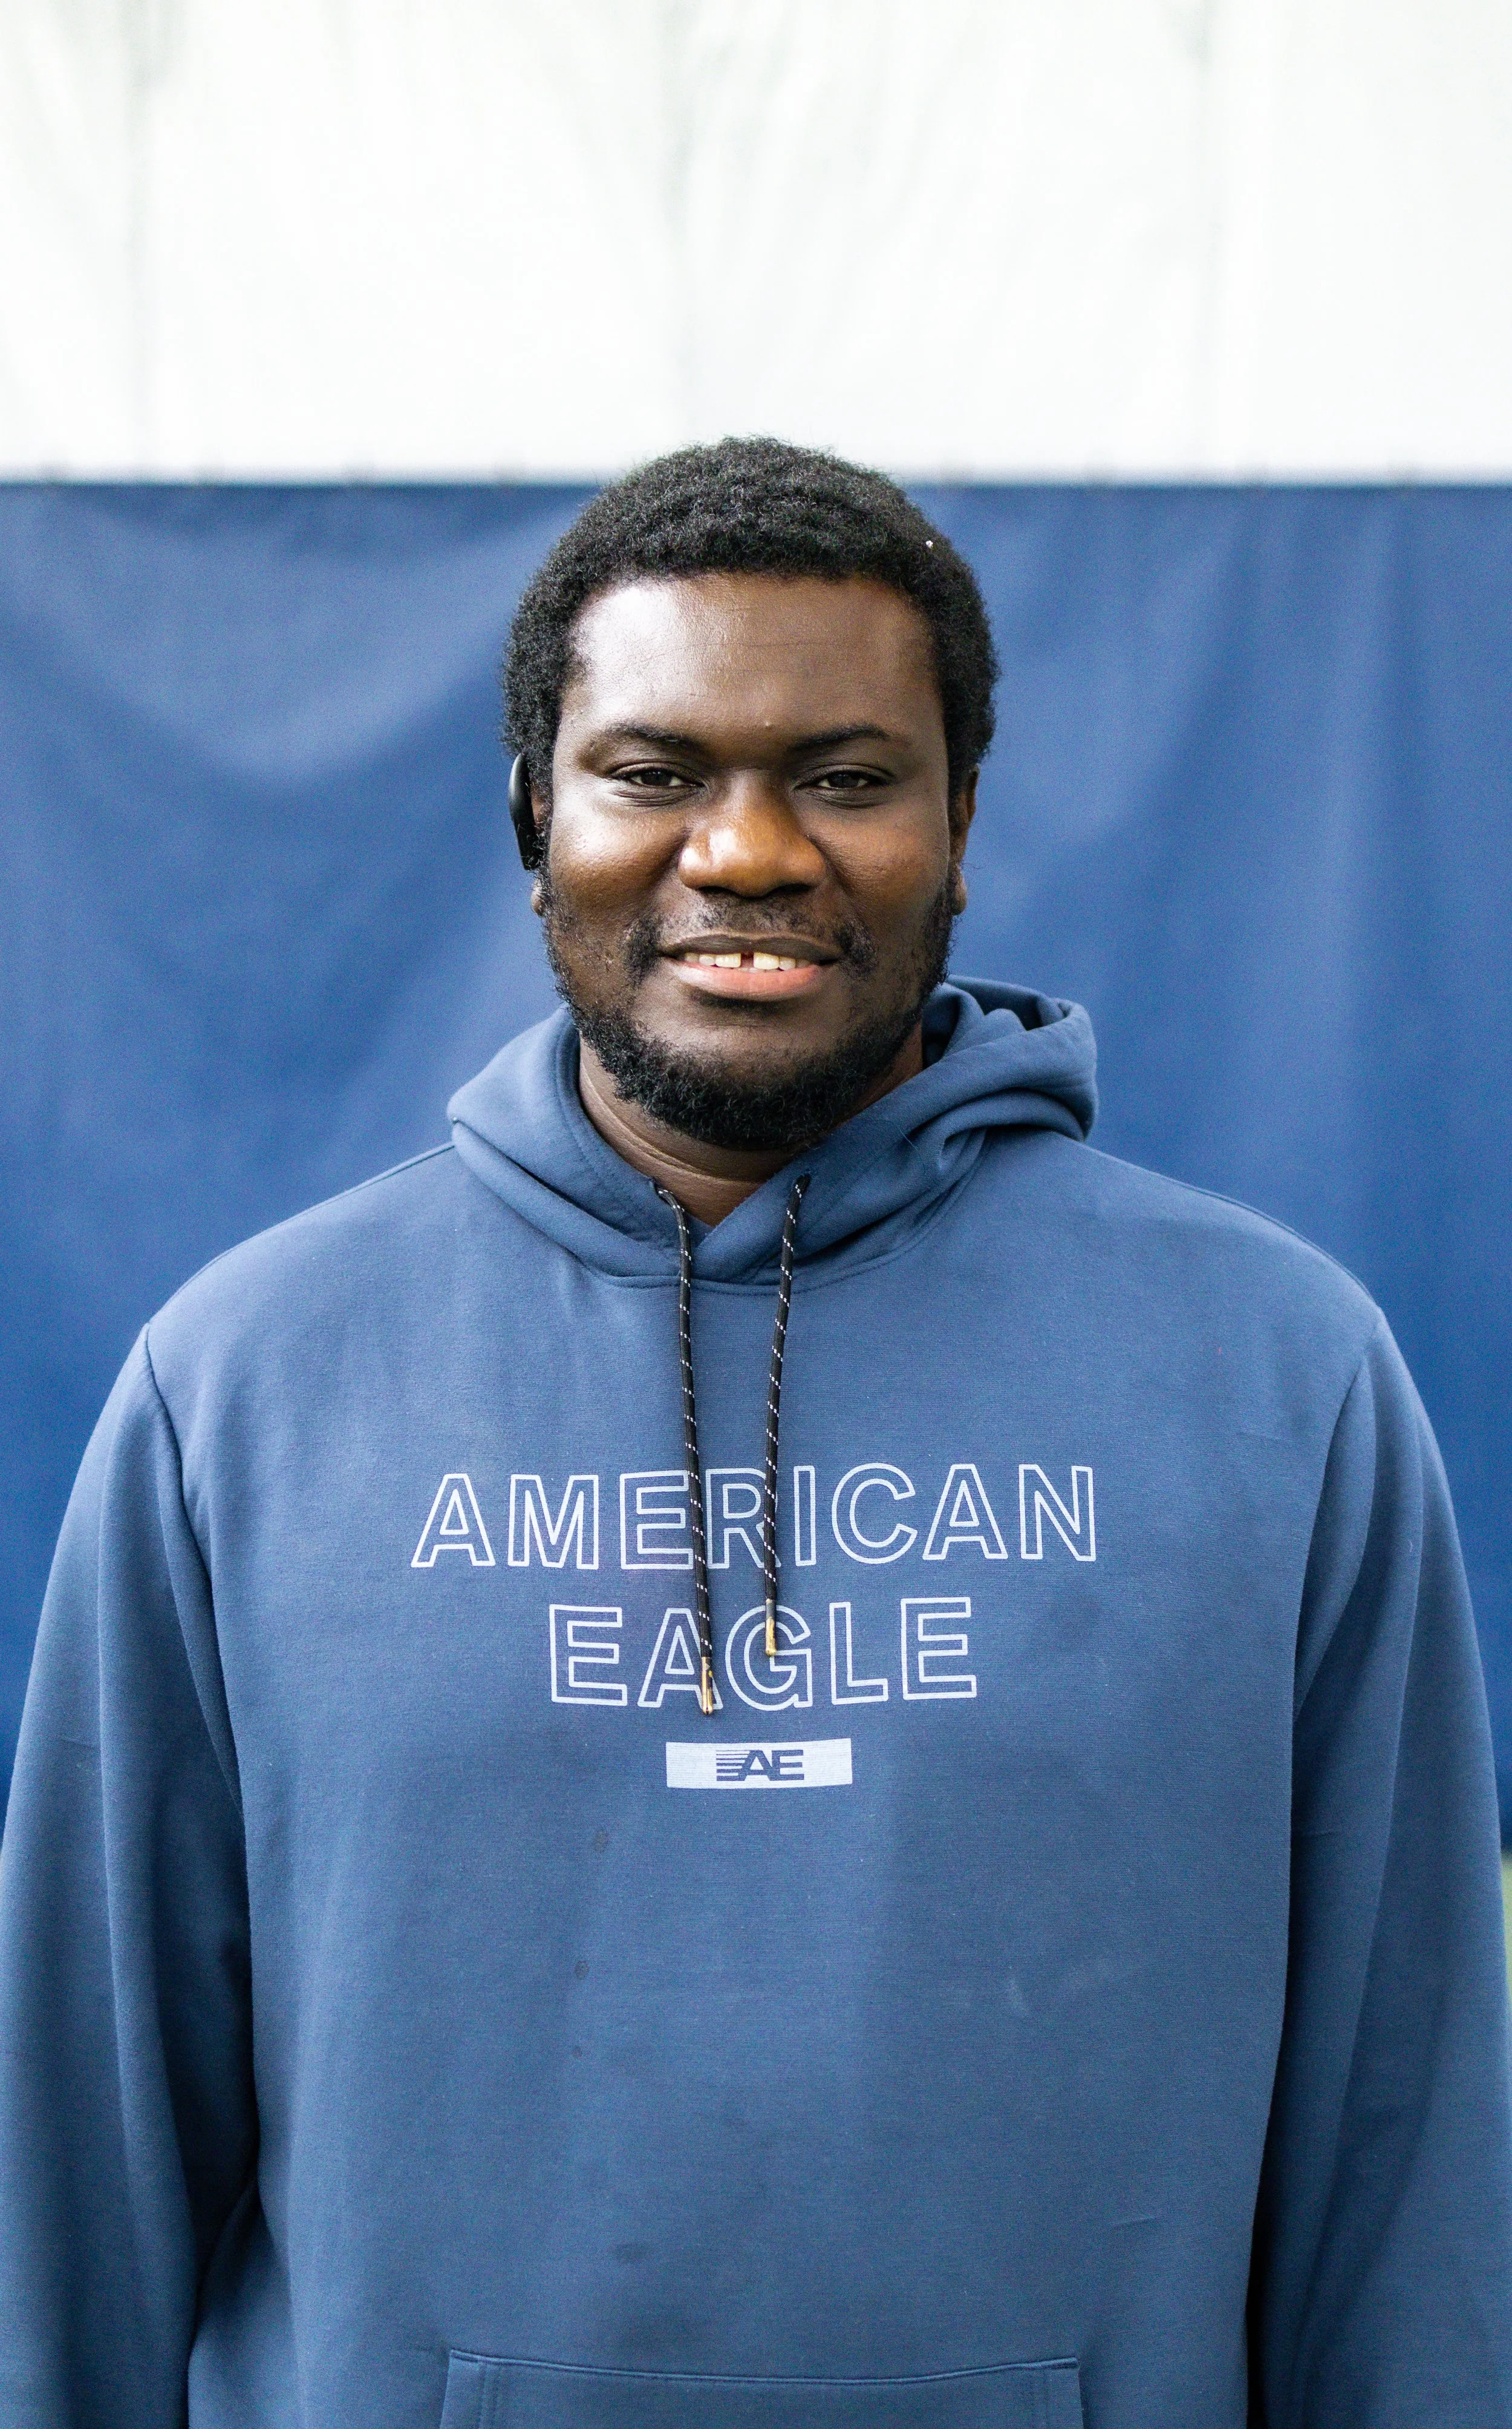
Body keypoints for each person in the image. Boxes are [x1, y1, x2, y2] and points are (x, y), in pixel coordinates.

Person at [1, 438, 1508, 2429]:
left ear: (961, 826)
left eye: (846, 775)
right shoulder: (249, 1387)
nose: (748, 850)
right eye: (653, 770)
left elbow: (1399, 2173)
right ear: (535, 816)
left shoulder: (1274, 1370)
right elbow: (74, 2193)